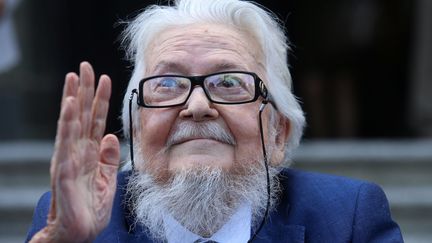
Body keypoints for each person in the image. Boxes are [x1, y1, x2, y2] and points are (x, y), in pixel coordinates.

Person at [26, 0, 403, 242]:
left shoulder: (346, 219)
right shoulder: (79, 222)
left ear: (278, 133)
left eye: (228, 82)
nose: (197, 105)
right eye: (168, 83)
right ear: (137, 130)